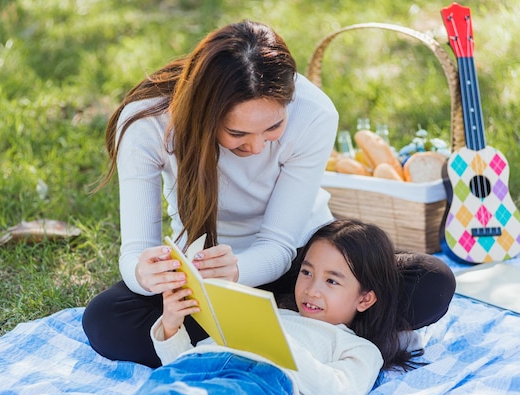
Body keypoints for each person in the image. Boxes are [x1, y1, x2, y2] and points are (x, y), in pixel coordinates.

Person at [82, 20, 456, 368]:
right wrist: (147, 275)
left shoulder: (314, 114)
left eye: (273, 127)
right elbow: (135, 253)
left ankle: (257, 334)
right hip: (206, 277)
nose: (258, 147)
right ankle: (308, 331)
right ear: (204, 114)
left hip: (301, 263)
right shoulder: (148, 124)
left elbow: (279, 244)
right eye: (237, 134)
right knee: (105, 322)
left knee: (430, 282)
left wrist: (240, 270)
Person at [115, 219, 422, 395]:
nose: (312, 289)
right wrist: (171, 324)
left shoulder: (355, 346)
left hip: (257, 382)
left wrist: (281, 346)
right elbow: (183, 359)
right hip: (190, 367)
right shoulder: (275, 311)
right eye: (306, 272)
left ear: (365, 298)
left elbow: (339, 393)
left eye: (332, 281)